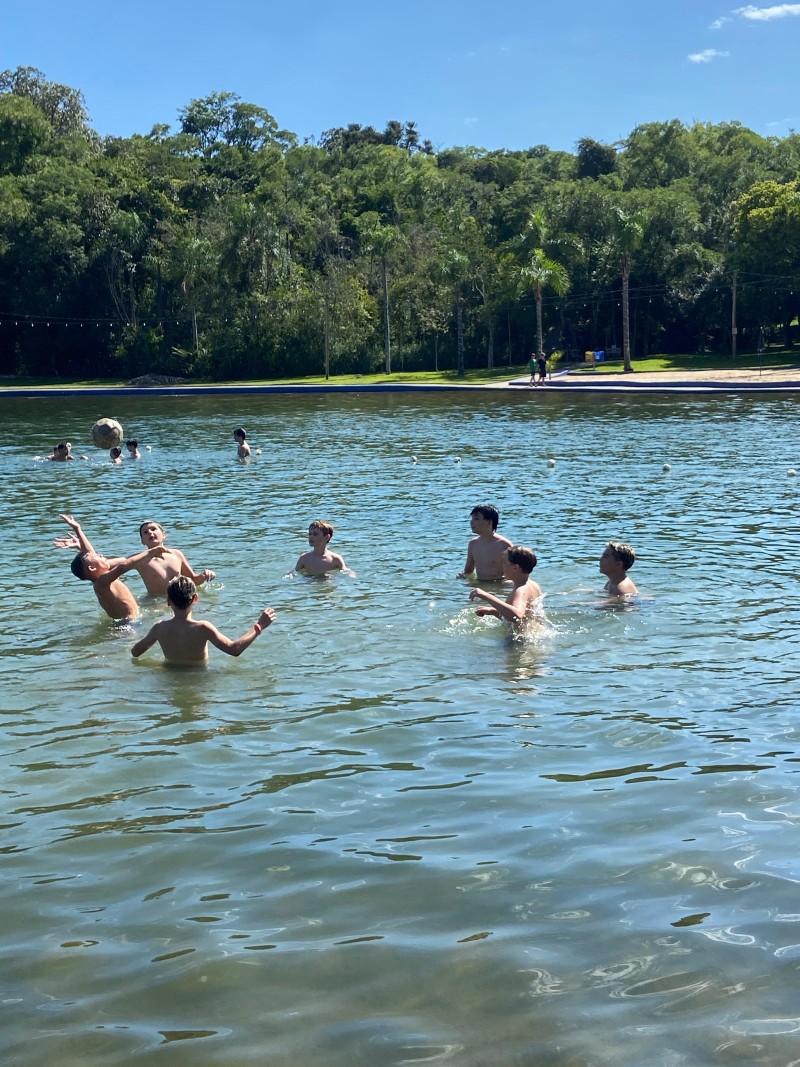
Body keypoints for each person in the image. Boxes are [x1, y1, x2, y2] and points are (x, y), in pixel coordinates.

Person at [131, 575, 276, 664]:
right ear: (195, 598)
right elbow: (234, 650)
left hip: (169, 678)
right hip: (198, 678)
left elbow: (135, 652)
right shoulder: (202, 628)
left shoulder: (159, 628)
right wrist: (259, 627)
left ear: (168, 601)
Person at [55, 519, 217, 598]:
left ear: (164, 534)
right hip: (157, 603)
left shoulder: (177, 554)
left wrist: (204, 575)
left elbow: (192, 580)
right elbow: (99, 565)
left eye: (153, 529)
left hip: (180, 601)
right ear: (142, 541)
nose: (150, 532)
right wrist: (82, 545)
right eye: (145, 532)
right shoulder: (139, 560)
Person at [58, 513, 165, 621]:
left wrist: (78, 529)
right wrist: (149, 553)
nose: (100, 555)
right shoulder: (101, 582)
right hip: (128, 624)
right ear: (92, 568)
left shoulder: (102, 577)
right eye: (98, 556)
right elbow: (122, 567)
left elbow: (90, 553)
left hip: (132, 620)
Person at [469, 545, 543, 628]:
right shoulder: (533, 585)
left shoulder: (520, 590)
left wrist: (486, 596)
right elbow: (520, 618)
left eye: (504, 563)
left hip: (522, 637)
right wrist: (492, 611)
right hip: (534, 632)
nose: (501, 566)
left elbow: (517, 616)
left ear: (515, 568)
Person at [458, 505, 513, 581]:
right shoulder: (473, 544)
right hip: (480, 583)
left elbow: (515, 572)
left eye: (476, 519)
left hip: (499, 584)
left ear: (489, 522)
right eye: (472, 519)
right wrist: (463, 575)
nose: (471, 522)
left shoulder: (504, 545)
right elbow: (468, 571)